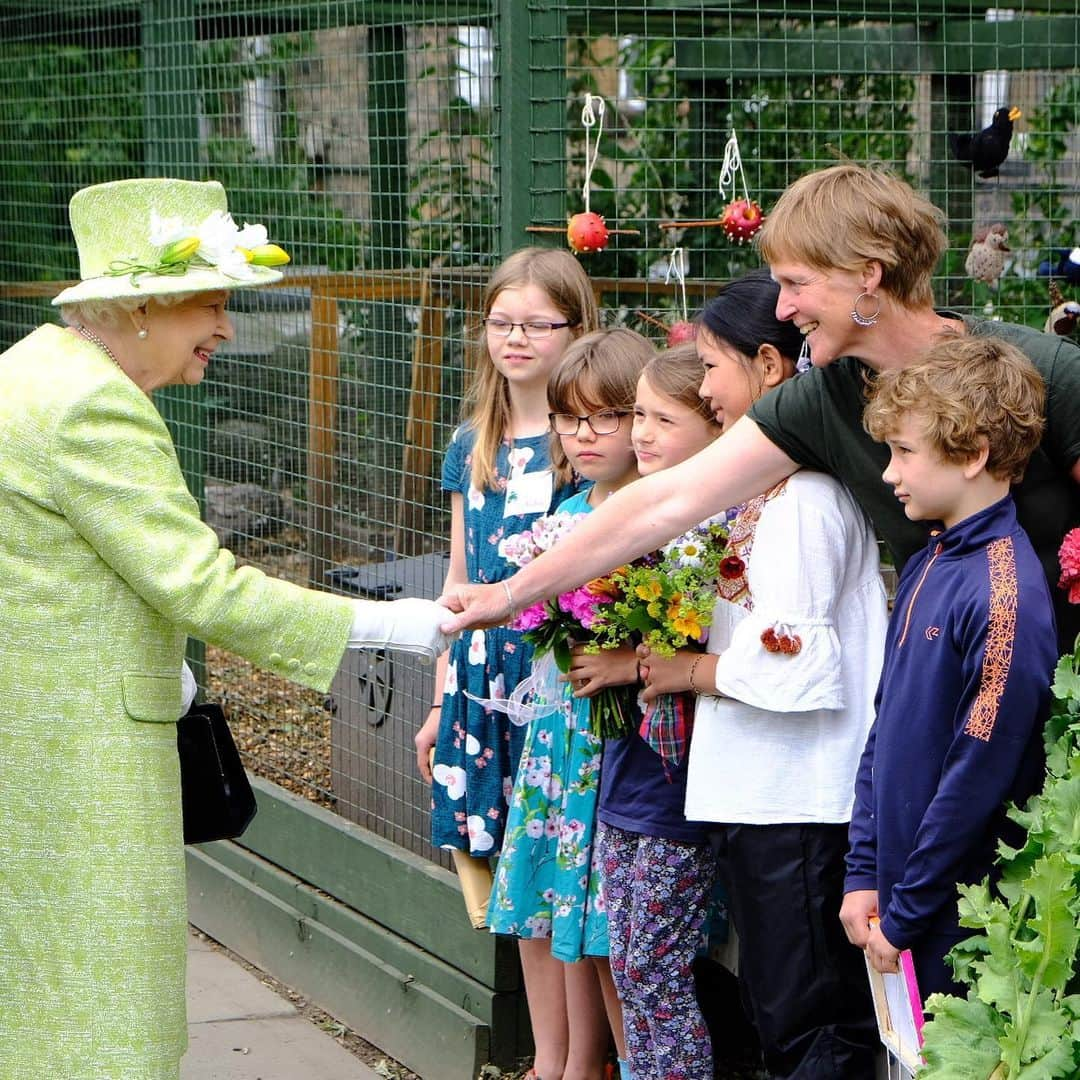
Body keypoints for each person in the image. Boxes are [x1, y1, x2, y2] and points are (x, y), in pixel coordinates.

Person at [0, 177, 452, 1080]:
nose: (227, 327)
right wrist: (399, 625)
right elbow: (202, 586)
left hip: (36, 725)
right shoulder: (95, 406)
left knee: (44, 981)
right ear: (140, 306)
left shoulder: (30, 369)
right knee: (105, 998)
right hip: (81, 748)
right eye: (210, 301)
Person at [438, 162, 1080, 655]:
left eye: (797, 284)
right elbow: (668, 500)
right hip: (949, 674)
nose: (781, 310)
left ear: (869, 275)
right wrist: (511, 594)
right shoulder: (824, 396)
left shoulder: (1046, 370)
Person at [636, 274, 887, 1079]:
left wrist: (689, 669)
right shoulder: (765, 492)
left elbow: (800, 663)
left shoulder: (806, 500)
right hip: (763, 792)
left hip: (800, 800)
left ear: (771, 368)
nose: (703, 387)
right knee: (783, 1008)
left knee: (812, 1018)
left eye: (712, 365)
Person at [414, 247, 598, 1079]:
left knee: (564, 876)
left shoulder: (584, 443)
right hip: (482, 686)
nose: (515, 339)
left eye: (536, 324)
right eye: (501, 323)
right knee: (515, 882)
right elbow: (458, 586)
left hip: (561, 682)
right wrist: (437, 699)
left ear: (576, 329)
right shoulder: (472, 445)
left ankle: (584, 1059)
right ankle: (543, 1057)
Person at [841, 336, 1057, 998]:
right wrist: (863, 872)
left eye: (905, 452)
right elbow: (887, 726)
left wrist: (906, 913)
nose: (888, 472)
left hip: (956, 923)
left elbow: (977, 774)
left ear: (973, 455)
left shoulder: (1006, 593)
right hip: (897, 906)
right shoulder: (927, 562)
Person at [489, 328, 655, 1080]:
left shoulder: (655, 510)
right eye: (569, 418)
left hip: (609, 742)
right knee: (540, 893)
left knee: (593, 914)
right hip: (556, 734)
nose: (584, 435)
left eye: (606, 417)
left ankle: (590, 1063)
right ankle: (549, 1060)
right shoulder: (568, 505)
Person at [588, 343, 724, 1080]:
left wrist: (629, 662)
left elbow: (702, 652)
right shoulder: (635, 519)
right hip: (626, 778)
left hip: (677, 791)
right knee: (629, 958)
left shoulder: (713, 538)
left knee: (654, 967)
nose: (640, 432)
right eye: (637, 413)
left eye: (662, 419)